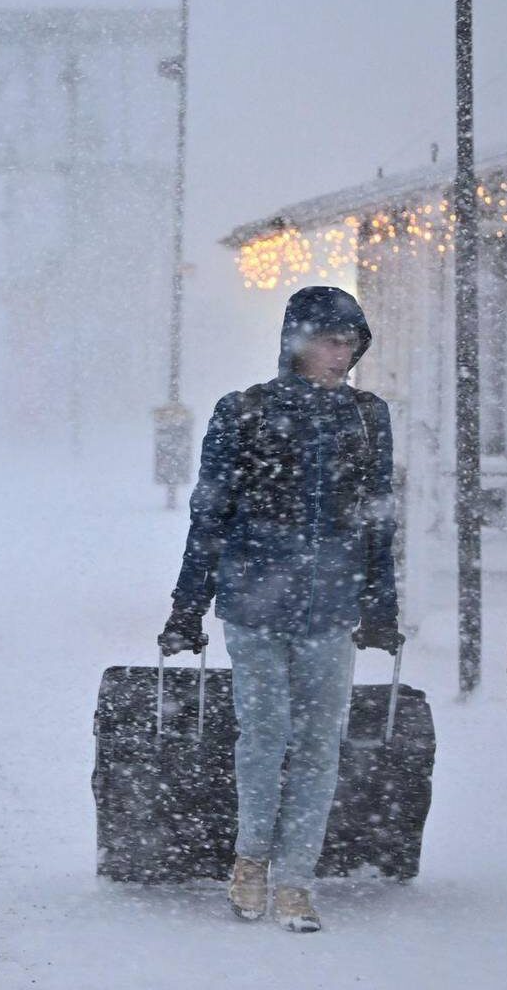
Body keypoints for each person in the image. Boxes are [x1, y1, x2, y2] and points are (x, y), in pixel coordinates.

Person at [158, 286, 403, 932]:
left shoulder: (367, 418)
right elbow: (208, 516)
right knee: (263, 736)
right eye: (330, 341)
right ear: (297, 342)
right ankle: (251, 861)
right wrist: (189, 606)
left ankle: (297, 877)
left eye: (350, 344)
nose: (341, 356)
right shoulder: (245, 414)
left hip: (331, 605)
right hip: (255, 603)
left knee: (321, 743)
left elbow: (380, 517)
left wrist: (381, 603)